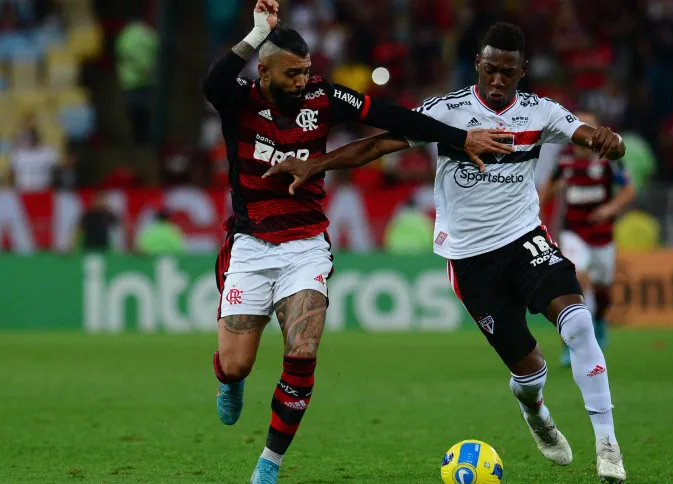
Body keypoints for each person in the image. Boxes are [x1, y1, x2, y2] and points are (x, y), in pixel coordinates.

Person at [265, 22, 628, 483]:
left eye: (508, 73)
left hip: (525, 240)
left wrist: (607, 142)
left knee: (577, 321)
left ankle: (607, 446)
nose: (498, 81)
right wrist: (317, 163)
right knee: (530, 370)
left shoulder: (541, 112)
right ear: (478, 64)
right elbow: (380, 143)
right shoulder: (448, 112)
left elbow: (588, 134)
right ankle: (535, 410)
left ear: (523, 72)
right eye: (491, 70)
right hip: (472, 261)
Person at [203, 2, 513, 483]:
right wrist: (256, 32)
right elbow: (212, 84)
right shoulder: (240, 98)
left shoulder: (323, 97)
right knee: (236, 363)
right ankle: (228, 380)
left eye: (307, 71)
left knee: (302, 352)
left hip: (305, 244)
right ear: (263, 71)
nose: (302, 81)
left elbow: (393, 117)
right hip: (250, 243)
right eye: (291, 74)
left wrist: (459, 137)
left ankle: (269, 463)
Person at [538, 111, 636, 366]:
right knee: (575, 284)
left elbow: (628, 190)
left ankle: (600, 320)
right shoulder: (565, 159)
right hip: (574, 232)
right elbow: (548, 188)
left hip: (602, 235)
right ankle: (570, 345)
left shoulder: (608, 159)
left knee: (603, 287)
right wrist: (536, 216)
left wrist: (609, 209)